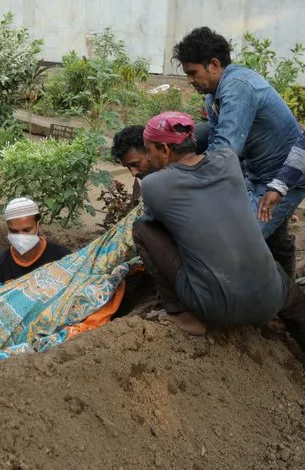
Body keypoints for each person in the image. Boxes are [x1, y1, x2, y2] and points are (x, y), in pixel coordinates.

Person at [133, 111, 305, 350]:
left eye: (148, 149)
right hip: (271, 300)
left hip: (215, 308)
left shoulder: (154, 185)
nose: (148, 158)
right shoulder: (227, 159)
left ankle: (181, 312)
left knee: (142, 227)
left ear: (164, 148)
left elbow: (166, 229)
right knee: (292, 295)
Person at [172, 27, 305, 278]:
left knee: (242, 241)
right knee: (268, 234)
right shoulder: (215, 96)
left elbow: (225, 149)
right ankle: (286, 284)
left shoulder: (237, 86)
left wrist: (188, 180)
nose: (189, 80)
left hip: (285, 177)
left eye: (192, 72)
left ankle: (278, 297)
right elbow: (214, 138)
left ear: (213, 64)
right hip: (257, 173)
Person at [0, 197, 71, 284]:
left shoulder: (62, 257)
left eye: (26, 230)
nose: (20, 237)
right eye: (14, 231)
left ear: (39, 226)